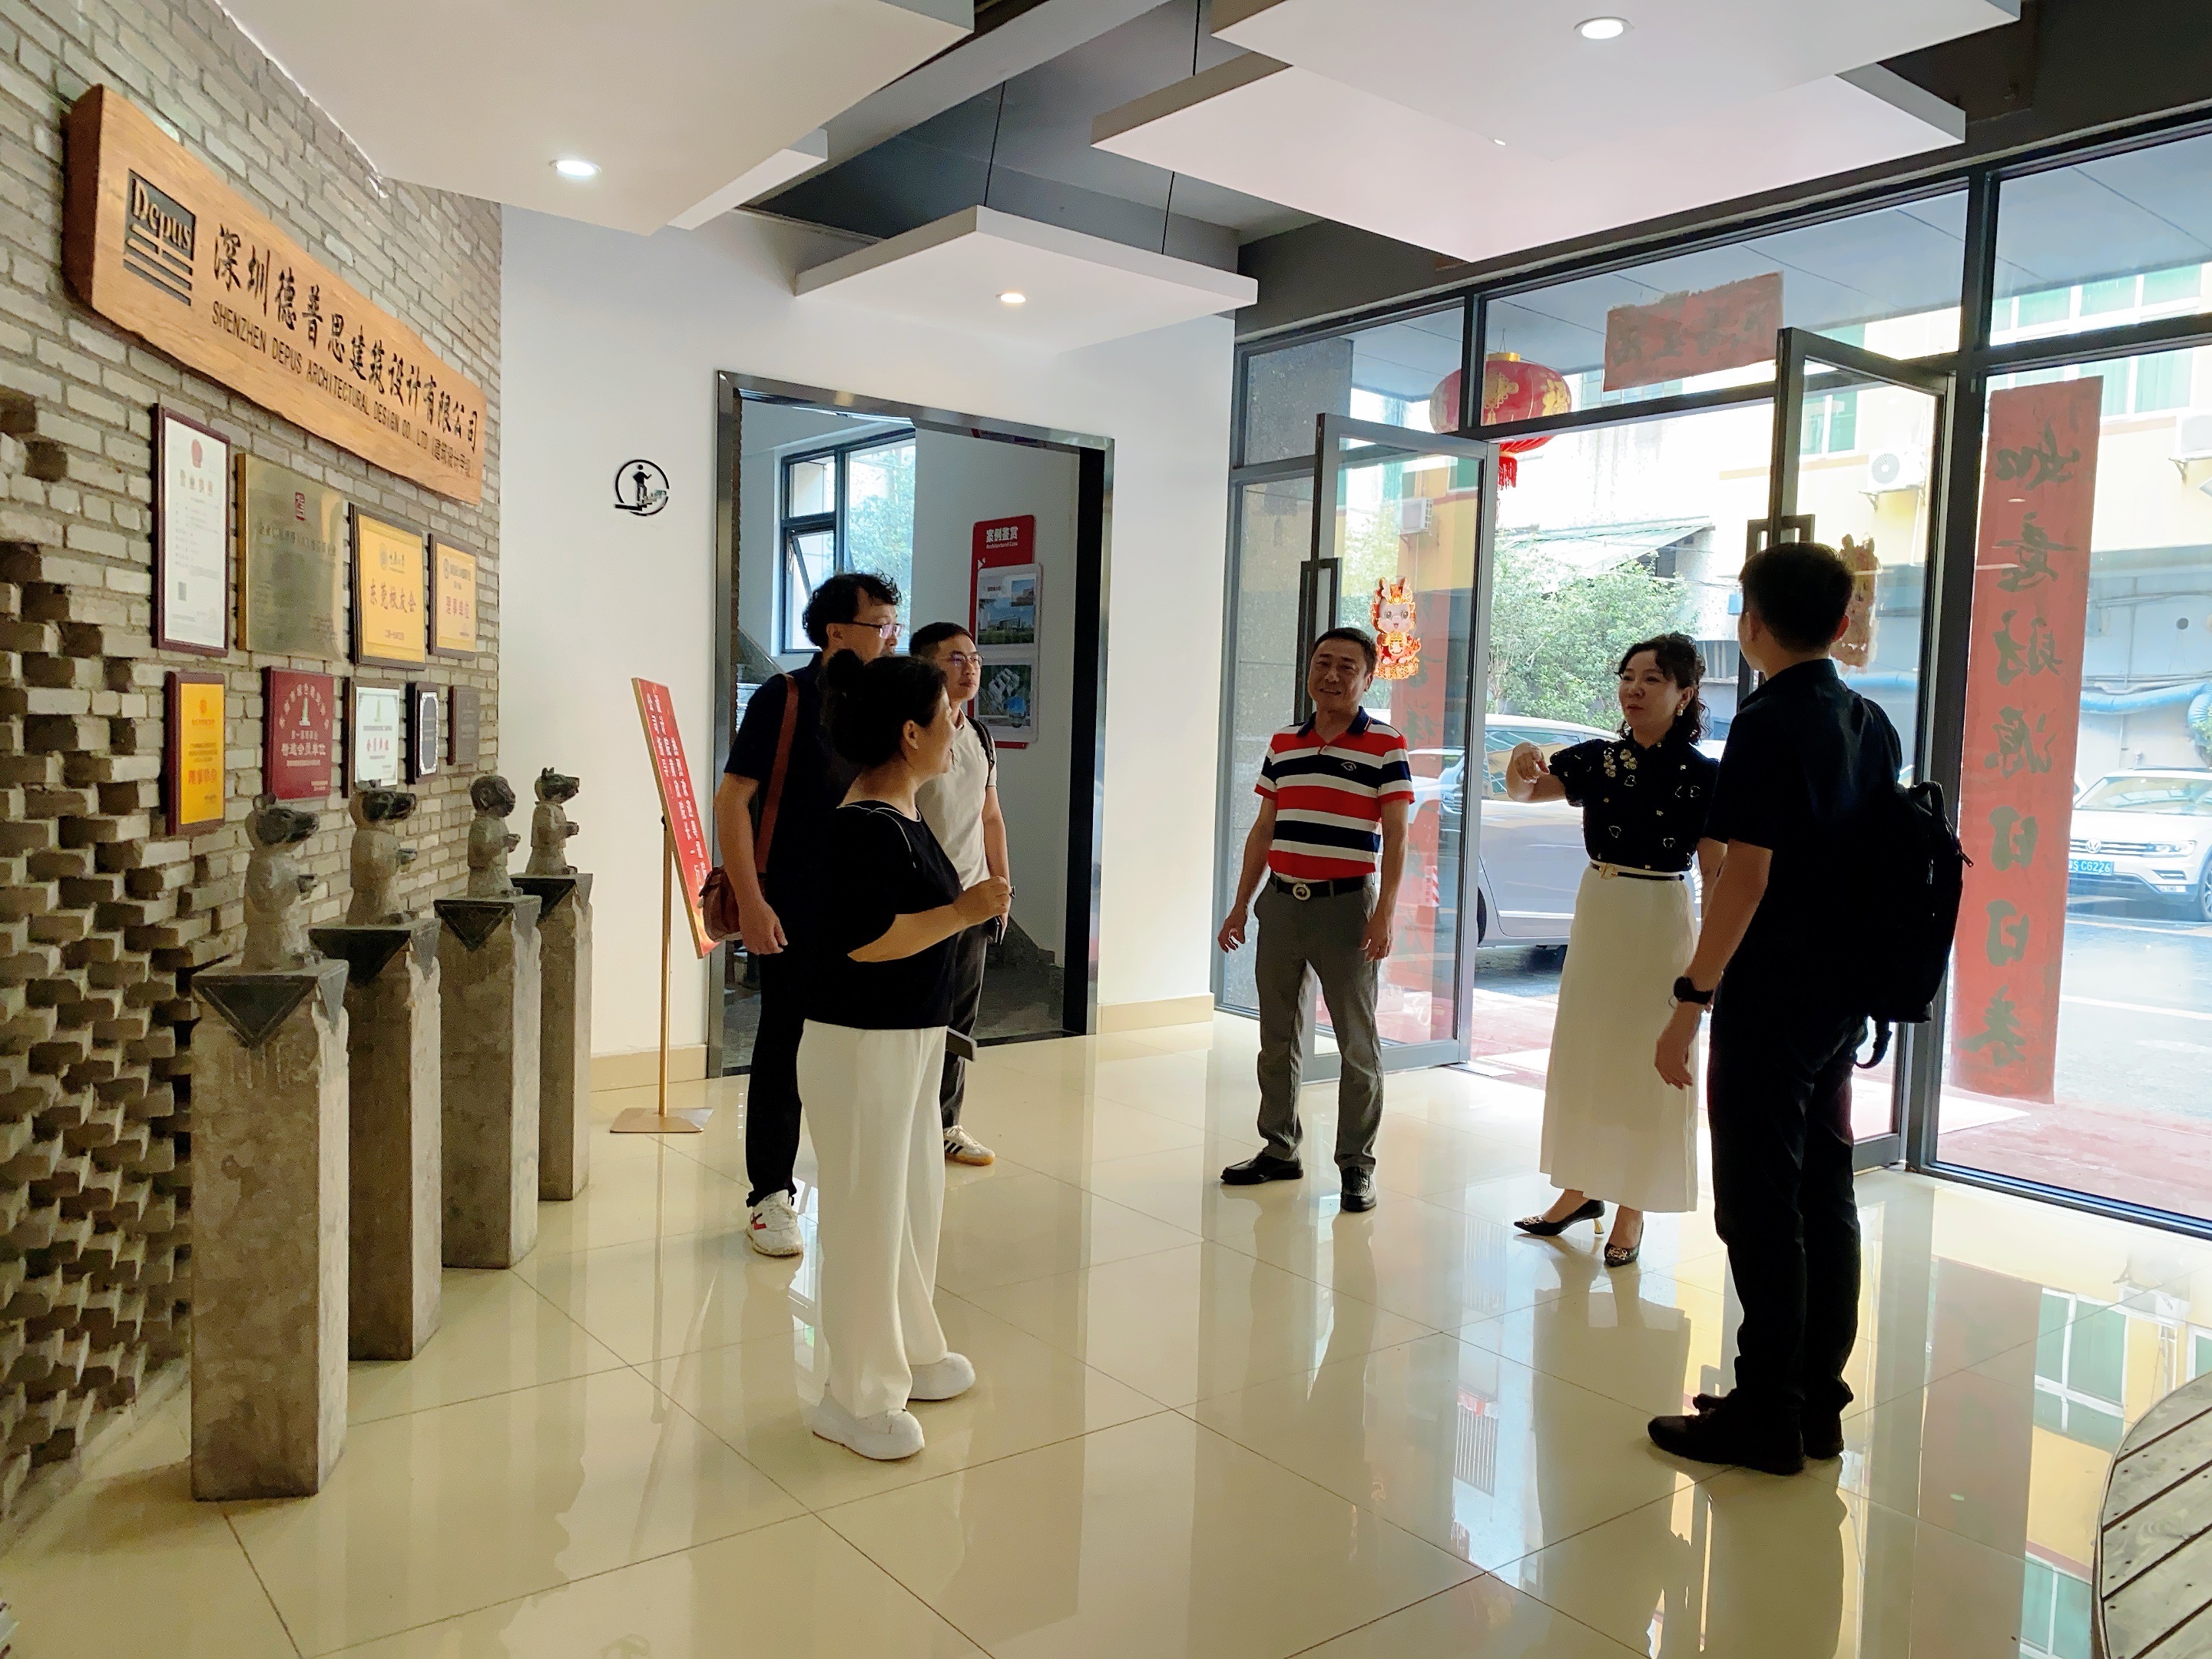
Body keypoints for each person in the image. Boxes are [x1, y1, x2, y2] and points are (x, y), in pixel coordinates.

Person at [1644, 541, 1900, 1478]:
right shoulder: (1870, 722)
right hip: (1840, 998)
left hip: (1770, 998)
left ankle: (1764, 1415)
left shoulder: (1766, 722)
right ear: (1840, 622)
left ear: (1751, 623)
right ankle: (1813, 1404)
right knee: (1825, 1194)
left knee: (1758, 1205)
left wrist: (1691, 998)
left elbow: (1745, 878)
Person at [798, 651, 1011, 1460]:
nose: (958, 728)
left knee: (911, 1204)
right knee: (868, 1215)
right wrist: (964, 911)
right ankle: (854, 1395)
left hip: (907, 1041)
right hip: (861, 1046)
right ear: (910, 732)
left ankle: (912, 1348)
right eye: (946, 716)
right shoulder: (861, 826)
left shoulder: (904, 813)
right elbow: (868, 941)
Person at [1506, 635, 1724, 1267]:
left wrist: (1711, 961)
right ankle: (1579, 1189)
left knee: (1648, 1058)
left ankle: (1633, 1206)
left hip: (1662, 913)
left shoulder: (1706, 775)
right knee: (1589, 1051)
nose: (1634, 689)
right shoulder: (1597, 759)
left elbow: (1715, 872)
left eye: (1652, 679)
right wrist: (1518, 764)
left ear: (1684, 694)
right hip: (1600, 907)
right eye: (1628, 677)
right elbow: (1526, 792)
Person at [713, 571, 901, 1258]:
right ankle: (770, 1194)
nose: (892, 637)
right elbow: (733, 799)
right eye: (881, 624)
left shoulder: (886, 700)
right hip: (793, 904)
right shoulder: (785, 696)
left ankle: (859, 1183)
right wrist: (752, 901)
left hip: (869, 905)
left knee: (862, 1047)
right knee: (785, 1045)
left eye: (894, 625)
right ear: (836, 632)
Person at [1216, 628, 1411, 1214]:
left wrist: (1384, 912)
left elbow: (1397, 837)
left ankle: (1356, 1165)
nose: (1332, 675)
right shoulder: (1285, 742)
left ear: (1368, 679)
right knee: (1275, 1037)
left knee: (1356, 1042)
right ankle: (1279, 1148)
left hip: (1347, 908)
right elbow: (1263, 829)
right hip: (1281, 903)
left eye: (1347, 666)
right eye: (1323, 662)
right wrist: (1241, 903)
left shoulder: (1385, 744)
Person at [910, 623, 1010, 1167]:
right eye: (955, 658)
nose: (970, 668)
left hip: (973, 900)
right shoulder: (909, 733)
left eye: (974, 658)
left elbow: (990, 816)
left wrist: (1001, 884)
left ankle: (946, 1123)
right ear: (925, 665)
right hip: (920, 903)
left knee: (957, 1021)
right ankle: (905, 1124)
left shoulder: (980, 736)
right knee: (911, 1020)